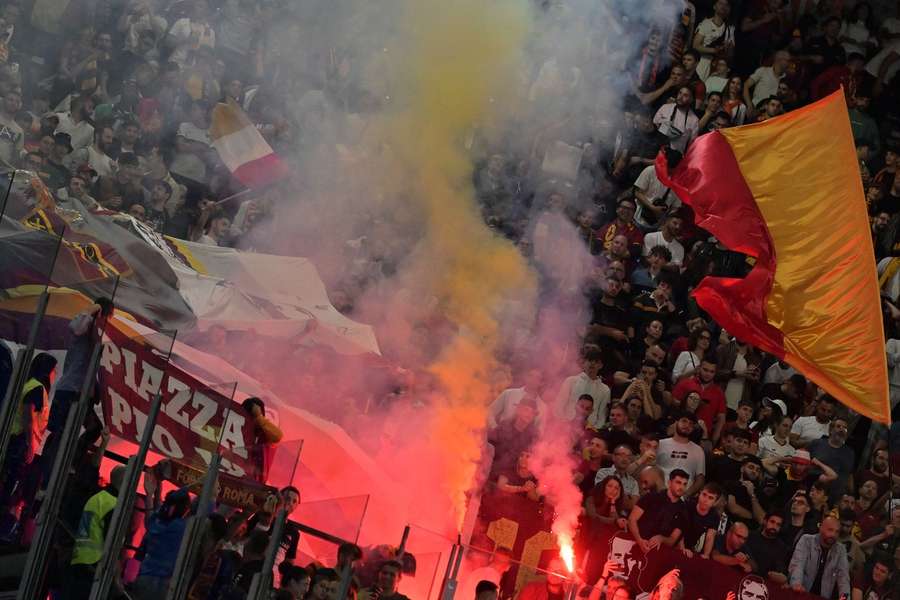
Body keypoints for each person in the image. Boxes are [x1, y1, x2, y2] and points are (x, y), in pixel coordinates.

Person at [43, 298, 113, 484]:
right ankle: (47, 480)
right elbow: (76, 326)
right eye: (109, 318)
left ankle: (70, 463)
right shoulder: (85, 325)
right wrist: (94, 309)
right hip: (70, 391)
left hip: (82, 394)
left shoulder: (98, 339)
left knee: (93, 428)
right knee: (60, 435)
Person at [66, 465, 127, 600]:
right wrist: (117, 577)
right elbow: (112, 542)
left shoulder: (97, 498)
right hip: (95, 565)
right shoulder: (113, 504)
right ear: (125, 481)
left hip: (79, 559)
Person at [628, 468, 690, 555]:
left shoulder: (683, 510)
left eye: (685, 484)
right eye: (678, 482)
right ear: (669, 483)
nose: (681, 487)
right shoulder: (650, 497)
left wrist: (661, 538)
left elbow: (673, 539)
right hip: (634, 545)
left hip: (659, 554)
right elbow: (632, 519)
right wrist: (639, 540)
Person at [789, 516, 851, 598]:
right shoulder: (806, 540)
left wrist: (844, 598)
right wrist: (796, 584)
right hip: (801, 593)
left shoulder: (841, 550)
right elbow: (797, 565)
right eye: (830, 530)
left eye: (837, 532)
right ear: (821, 528)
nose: (833, 535)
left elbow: (843, 578)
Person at [554, 347, 611, 430]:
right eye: (589, 360)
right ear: (583, 363)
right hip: (566, 426)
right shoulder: (571, 381)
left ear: (601, 365)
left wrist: (593, 430)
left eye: (596, 362)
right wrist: (563, 424)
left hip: (589, 430)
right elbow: (559, 406)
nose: (592, 364)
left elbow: (601, 416)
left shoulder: (605, 390)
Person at [655, 411, 706, 495]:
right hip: (660, 493)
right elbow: (651, 469)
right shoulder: (660, 444)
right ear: (676, 423)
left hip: (685, 496)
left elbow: (700, 479)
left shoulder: (698, 450)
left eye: (691, 424)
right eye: (684, 421)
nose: (687, 426)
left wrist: (687, 495)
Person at [241, 396, 284, 483]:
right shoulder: (236, 428)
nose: (251, 418)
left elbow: (278, 436)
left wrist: (259, 418)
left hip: (255, 482)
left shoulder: (264, 434)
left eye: (253, 415)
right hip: (235, 476)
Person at [675, 482, 722, 558]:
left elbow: (710, 537)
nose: (705, 500)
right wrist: (682, 549)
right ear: (699, 494)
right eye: (704, 495)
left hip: (690, 547)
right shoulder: (688, 505)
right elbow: (679, 529)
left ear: (715, 503)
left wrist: (706, 555)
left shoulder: (714, 516)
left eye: (710, 498)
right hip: (675, 541)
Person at [744, 512, 789, 584]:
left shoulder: (782, 548)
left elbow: (780, 570)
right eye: (772, 522)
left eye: (778, 524)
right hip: (743, 575)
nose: (774, 526)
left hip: (764, 584)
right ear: (765, 521)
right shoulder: (750, 536)